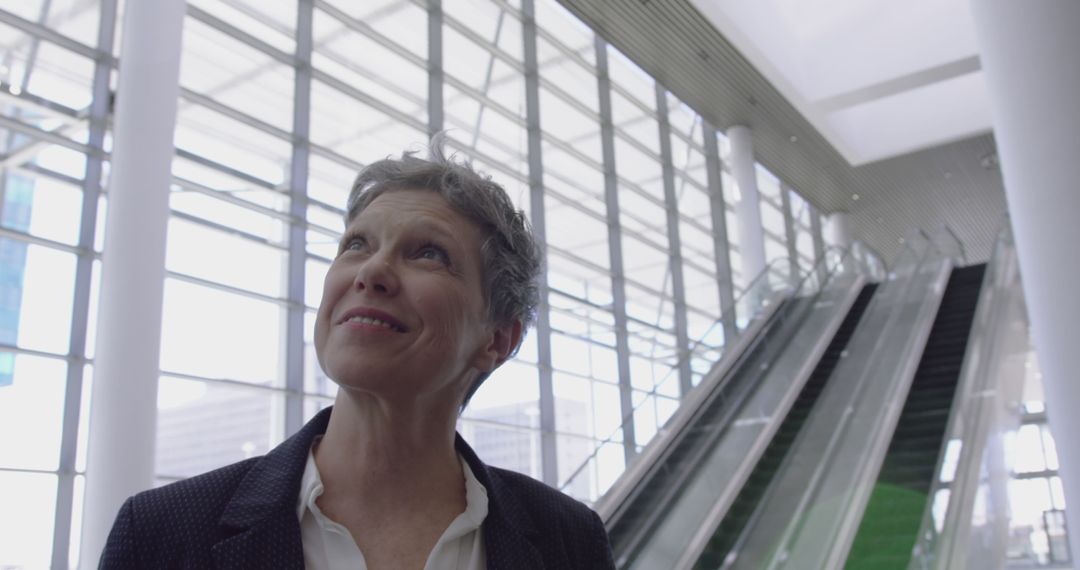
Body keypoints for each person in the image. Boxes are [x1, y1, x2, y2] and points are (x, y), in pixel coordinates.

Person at [98, 140, 616, 569]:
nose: (371, 272)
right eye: (356, 245)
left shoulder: (568, 542)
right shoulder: (163, 534)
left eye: (428, 253)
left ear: (498, 339)